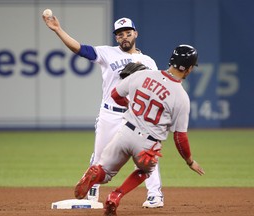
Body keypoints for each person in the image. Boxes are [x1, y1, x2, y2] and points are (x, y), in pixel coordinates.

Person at [42, 15, 164, 207]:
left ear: (135, 34)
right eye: (120, 34)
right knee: (100, 156)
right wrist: (58, 30)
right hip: (111, 113)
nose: (124, 37)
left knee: (146, 155)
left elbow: (155, 88)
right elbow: (79, 49)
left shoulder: (148, 61)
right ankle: (93, 190)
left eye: (128, 33)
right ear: (116, 38)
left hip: (137, 117)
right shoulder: (107, 53)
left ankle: (155, 195)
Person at [74, 44, 205, 216]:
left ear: (171, 60)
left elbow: (115, 95)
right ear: (188, 69)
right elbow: (180, 137)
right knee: (145, 171)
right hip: (148, 145)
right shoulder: (181, 97)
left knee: (104, 173)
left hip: (125, 132)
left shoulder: (142, 75)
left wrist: (129, 105)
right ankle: (116, 196)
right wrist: (189, 161)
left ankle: (95, 173)